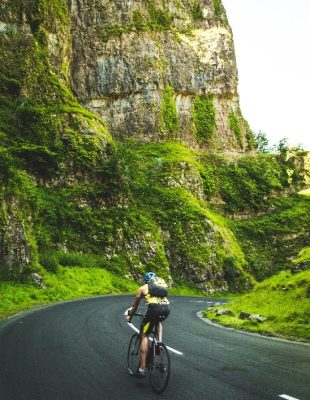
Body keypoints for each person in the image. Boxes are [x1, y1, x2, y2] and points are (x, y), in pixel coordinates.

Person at [125, 271, 170, 378]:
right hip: (166, 308)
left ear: (145, 281)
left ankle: (141, 369)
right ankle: (159, 343)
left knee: (144, 335)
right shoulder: (161, 286)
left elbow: (134, 307)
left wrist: (129, 317)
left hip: (154, 309)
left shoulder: (142, 288)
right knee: (158, 322)